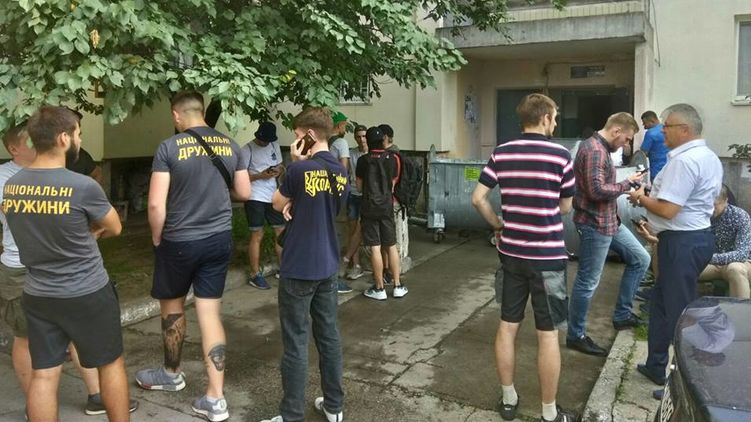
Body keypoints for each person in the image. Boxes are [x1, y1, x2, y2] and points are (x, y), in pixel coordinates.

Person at [0, 123, 138, 418]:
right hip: (85, 289)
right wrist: (91, 230)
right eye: (77, 133)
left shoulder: (13, 185)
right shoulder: (81, 185)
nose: (79, 139)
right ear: (64, 138)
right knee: (110, 363)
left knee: (44, 373)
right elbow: (115, 226)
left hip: (38, 290)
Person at [135, 91, 250, 422]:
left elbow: (155, 204)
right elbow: (244, 192)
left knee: (172, 308)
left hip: (180, 240)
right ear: (201, 111)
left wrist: (157, 236)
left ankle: (171, 374)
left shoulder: (169, 147)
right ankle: (215, 398)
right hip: (219, 239)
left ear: (176, 115)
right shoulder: (231, 145)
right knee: (209, 313)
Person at [471, 93, 578, 422]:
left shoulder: (501, 152)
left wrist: (497, 224)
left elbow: (478, 198)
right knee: (548, 334)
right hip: (548, 259)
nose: (555, 123)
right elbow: (565, 207)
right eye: (554, 118)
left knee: (507, 327)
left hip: (511, 256)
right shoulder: (561, 156)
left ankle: (508, 399)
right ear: (545, 118)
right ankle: (549, 413)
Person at [627, 103, 722, 392]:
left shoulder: (685, 161)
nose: (661, 131)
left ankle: (683, 384)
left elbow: (668, 210)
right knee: (661, 304)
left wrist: (640, 198)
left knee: (680, 314)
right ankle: (655, 365)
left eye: (666, 126)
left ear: (685, 129)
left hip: (682, 243)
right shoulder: (708, 157)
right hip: (692, 238)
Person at [262, 107, 348, 422]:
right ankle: (334, 406)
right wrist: (297, 200)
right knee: (329, 335)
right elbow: (331, 206)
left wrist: (296, 164)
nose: (295, 141)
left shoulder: (299, 169)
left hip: (299, 265)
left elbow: (276, 203)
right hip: (328, 263)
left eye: (298, 135)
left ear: (310, 135)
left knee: (296, 342)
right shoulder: (340, 170)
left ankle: (291, 415)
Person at [567, 113, 651, 357]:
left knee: (641, 259)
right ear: (616, 131)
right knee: (587, 282)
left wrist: (630, 185)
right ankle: (575, 335)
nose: (626, 144)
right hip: (595, 225)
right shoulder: (594, 150)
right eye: (626, 139)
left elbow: (601, 185)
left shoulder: (601, 149)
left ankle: (622, 315)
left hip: (609, 222)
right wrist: (627, 184)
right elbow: (596, 191)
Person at [357, 126, 408, 300]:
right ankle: (397, 285)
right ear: (383, 140)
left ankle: (379, 289)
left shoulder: (363, 160)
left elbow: (359, 187)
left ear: (368, 141)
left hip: (369, 206)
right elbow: (392, 184)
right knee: (391, 245)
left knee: (375, 247)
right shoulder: (392, 158)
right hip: (386, 205)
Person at [243, 121, 286, 290]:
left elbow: (281, 166)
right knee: (257, 234)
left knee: (280, 231)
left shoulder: (274, 145)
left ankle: (284, 269)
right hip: (254, 196)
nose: (265, 143)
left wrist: (278, 171)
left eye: (268, 140)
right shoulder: (247, 149)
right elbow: (242, 176)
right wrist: (260, 176)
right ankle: (255, 274)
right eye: (263, 140)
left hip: (272, 195)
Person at [697, 185, 751, 298]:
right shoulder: (698, 216)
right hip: (709, 265)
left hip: (740, 262)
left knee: (735, 269)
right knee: (681, 268)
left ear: (726, 201)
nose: (710, 209)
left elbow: (742, 254)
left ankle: (739, 309)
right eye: (706, 205)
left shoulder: (740, 216)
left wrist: (710, 258)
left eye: (714, 205)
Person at [377, 123, 409, 282]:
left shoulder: (391, 157)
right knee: (387, 240)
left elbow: (390, 183)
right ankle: (387, 271)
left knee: (391, 241)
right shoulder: (394, 155)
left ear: (384, 137)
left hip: (392, 202)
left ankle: (392, 273)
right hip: (392, 201)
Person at [329, 111, 353, 294]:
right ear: (339, 125)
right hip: (336, 193)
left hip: (321, 190)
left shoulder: (323, 142)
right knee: (337, 233)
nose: (345, 128)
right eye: (344, 124)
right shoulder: (341, 143)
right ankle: (334, 278)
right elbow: (343, 168)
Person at [341, 124, 368, 280]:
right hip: (352, 193)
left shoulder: (371, 153)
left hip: (366, 196)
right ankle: (356, 265)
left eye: (364, 136)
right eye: (358, 136)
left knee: (359, 229)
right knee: (352, 229)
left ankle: (348, 260)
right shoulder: (351, 154)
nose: (361, 139)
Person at [639, 111, 669, 182]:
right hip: (670, 169)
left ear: (652, 121)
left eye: (645, 123)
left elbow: (643, 153)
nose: (644, 126)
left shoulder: (650, 133)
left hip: (656, 170)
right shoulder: (667, 130)